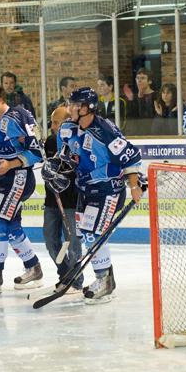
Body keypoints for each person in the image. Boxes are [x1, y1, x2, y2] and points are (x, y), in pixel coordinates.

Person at [46, 87, 143, 304]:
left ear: (88, 108)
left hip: (108, 189)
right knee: (87, 234)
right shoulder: (67, 129)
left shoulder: (105, 131)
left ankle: (104, 281)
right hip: (85, 189)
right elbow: (67, 158)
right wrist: (54, 168)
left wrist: (135, 186)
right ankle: (105, 279)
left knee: (93, 234)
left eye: (75, 105)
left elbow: (131, 157)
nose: (70, 108)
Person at [0, 83, 43, 294]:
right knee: (11, 227)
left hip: (18, 177)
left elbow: (37, 151)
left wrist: (10, 164)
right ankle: (33, 268)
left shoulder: (20, 116)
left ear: (1, 99)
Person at [43, 106, 82, 294]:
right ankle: (65, 274)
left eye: (56, 122)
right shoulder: (50, 141)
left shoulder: (78, 141)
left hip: (72, 201)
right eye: (52, 122)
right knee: (50, 240)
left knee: (73, 242)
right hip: (52, 199)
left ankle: (75, 280)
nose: (52, 126)